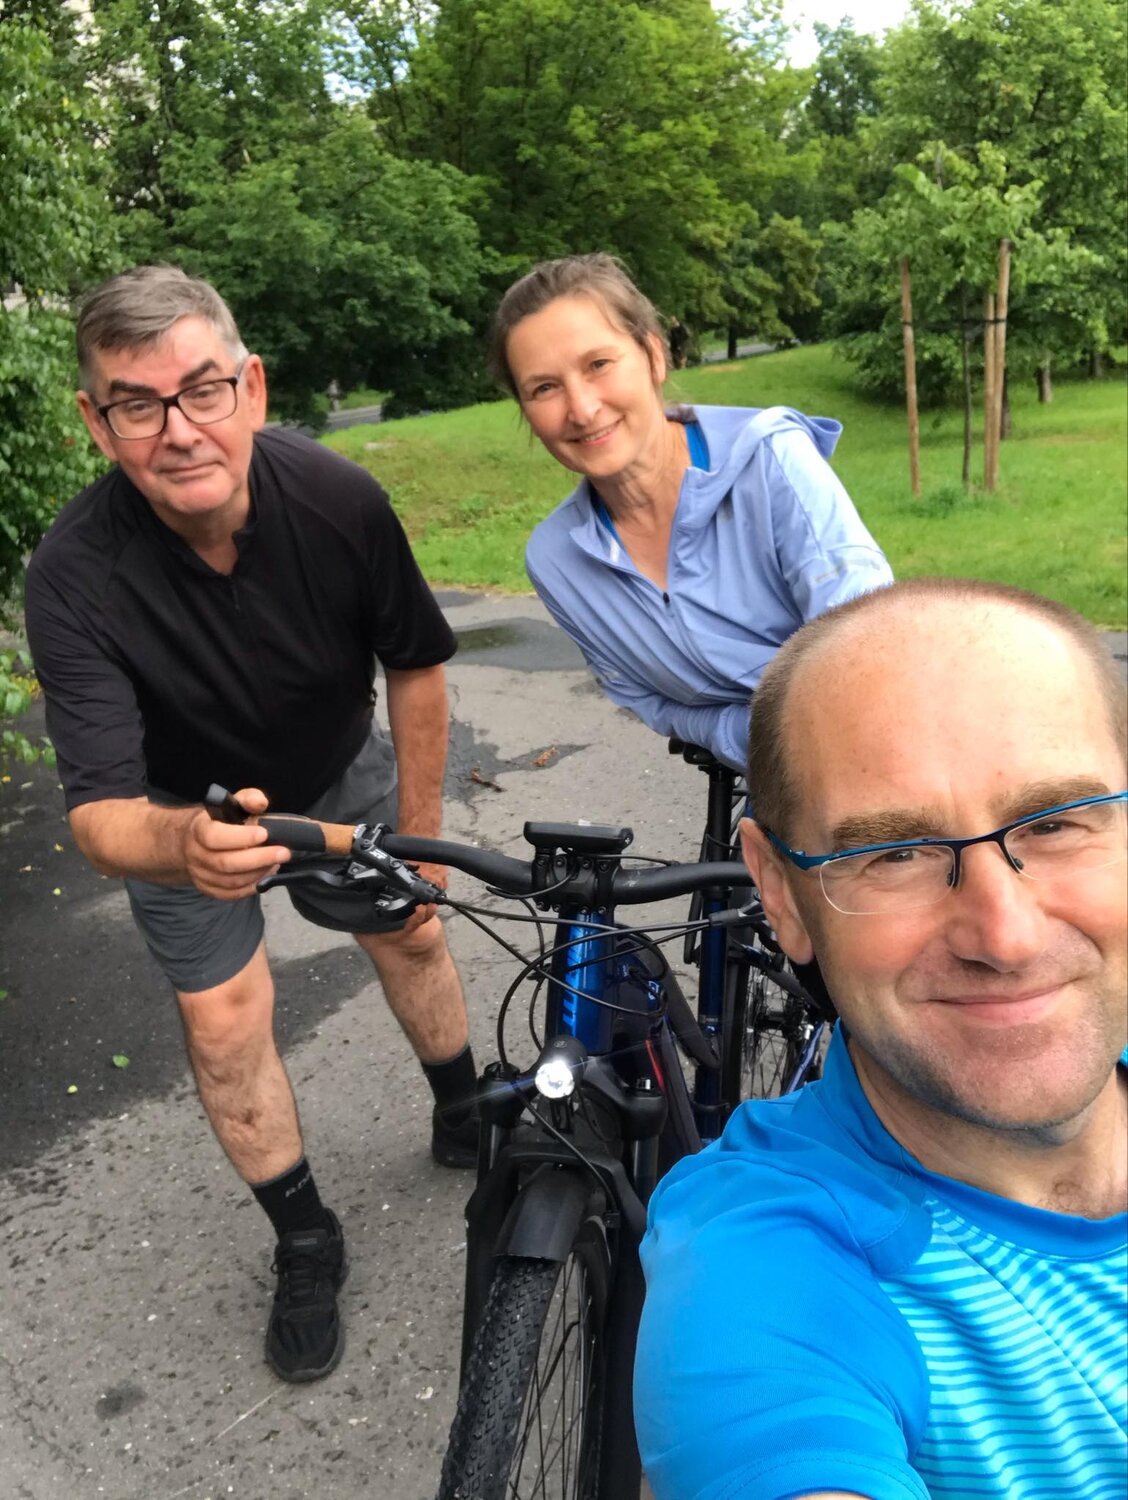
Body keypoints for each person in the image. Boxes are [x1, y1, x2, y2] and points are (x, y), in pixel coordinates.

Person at [24, 264, 479, 1385]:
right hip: (176, 816)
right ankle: (305, 1236)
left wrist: (419, 839)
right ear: (95, 422)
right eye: (137, 404)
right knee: (225, 1024)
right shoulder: (71, 576)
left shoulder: (340, 501)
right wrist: (183, 842)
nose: (179, 430)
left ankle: (464, 1106)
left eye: (202, 389)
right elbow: (98, 816)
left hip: (337, 773)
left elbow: (416, 666)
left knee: (413, 935)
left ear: (253, 387)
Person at [635, 577, 1128, 1499]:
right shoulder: (767, 1261)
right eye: (894, 853)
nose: (1008, 936)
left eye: (1058, 822)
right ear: (780, 894)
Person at [489, 253, 893, 771]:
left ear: (654, 356)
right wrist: (745, 737)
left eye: (598, 365)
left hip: (893, 753)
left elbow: (869, 652)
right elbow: (646, 699)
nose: (582, 409)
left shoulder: (770, 461)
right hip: (775, 784)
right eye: (544, 388)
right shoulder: (557, 561)